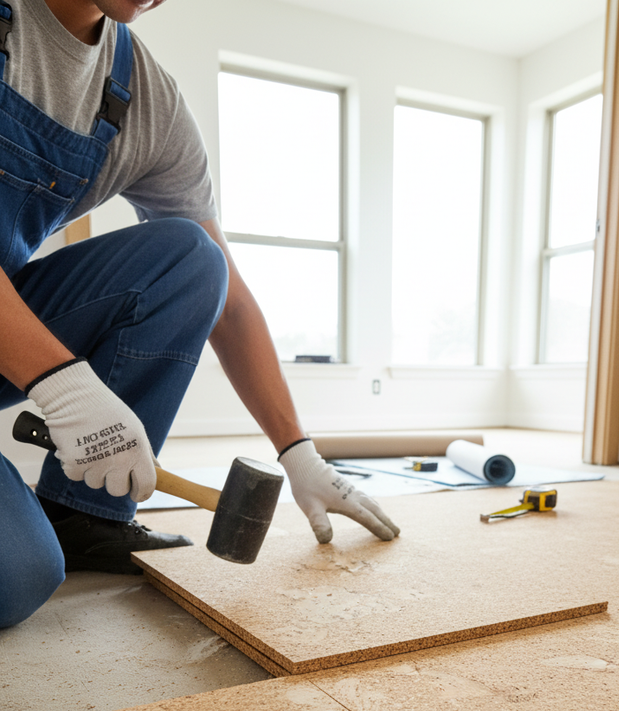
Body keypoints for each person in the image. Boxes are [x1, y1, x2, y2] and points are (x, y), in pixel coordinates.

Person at [0, 0, 400, 629]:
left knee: (192, 257)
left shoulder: (141, 98)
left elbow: (227, 298)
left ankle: (83, 517)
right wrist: (65, 386)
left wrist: (298, 454)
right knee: (14, 575)